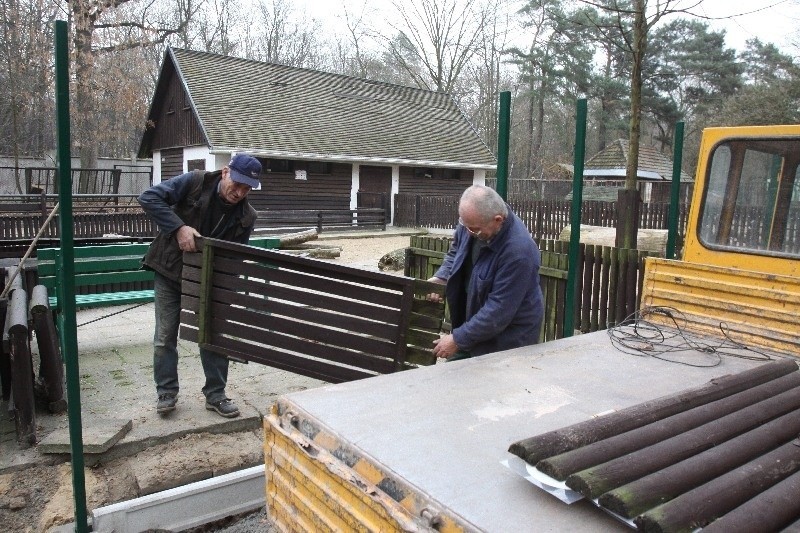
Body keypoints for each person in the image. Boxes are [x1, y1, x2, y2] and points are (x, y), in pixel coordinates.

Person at [138, 154, 261, 418]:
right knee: (164, 336)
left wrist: (227, 295)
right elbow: (148, 197)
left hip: (210, 280)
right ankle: (166, 392)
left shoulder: (247, 216)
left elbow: (235, 259)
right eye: (236, 183)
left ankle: (216, 394)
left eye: (246, 188)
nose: (239, 192)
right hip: (170, 271)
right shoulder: (195, 182)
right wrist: (179, 228)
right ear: (225, 172)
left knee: (214, 338)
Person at [427, 185, 544, 360]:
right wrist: (442, 277)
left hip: (507, 340)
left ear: (498, 220)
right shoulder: (472, 223)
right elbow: (456, 251)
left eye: (474, 229)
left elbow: (499, 309)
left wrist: (458, 339)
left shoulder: (519, 252)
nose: (468, 232)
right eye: (464, 225)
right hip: (477, 327)